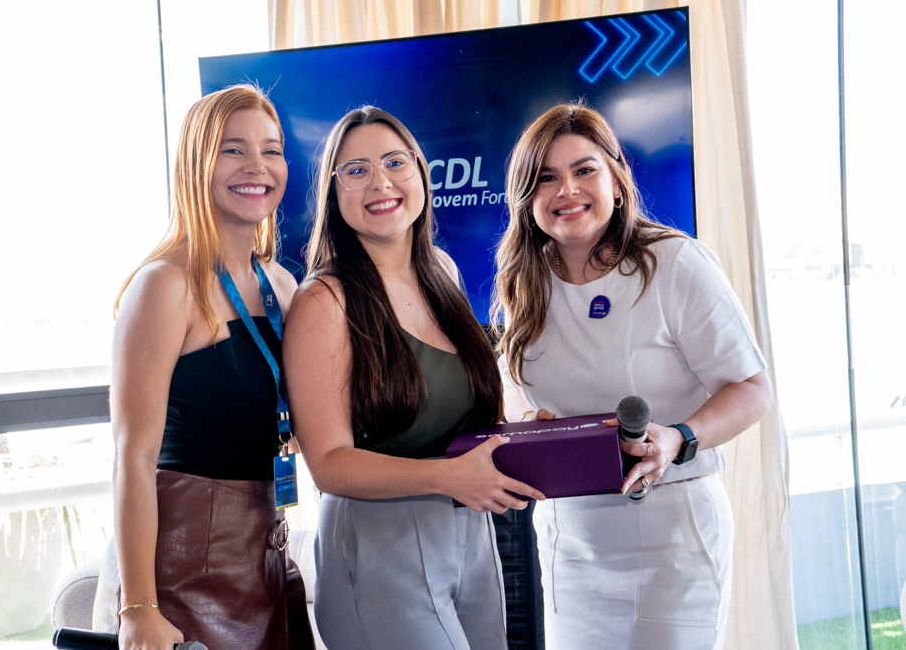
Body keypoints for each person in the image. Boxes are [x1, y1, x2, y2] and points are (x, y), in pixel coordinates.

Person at [493, 103, 772, 650]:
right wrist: (529, 423)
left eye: (584, 170)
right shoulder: (522, 282)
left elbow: (752, 389)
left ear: (617, 182)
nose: (566, 190)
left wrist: (679, 437)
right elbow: (513, 393)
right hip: (571, 546)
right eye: (545, 178)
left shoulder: (675, 263)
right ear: (527, 199)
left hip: (672, 539)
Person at [282, 106, 544, 650]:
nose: (380, 182)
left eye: (394, 162)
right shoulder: (324, 302)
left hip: (469, 535)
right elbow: (328, 464)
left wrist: (524, 432)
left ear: (422, 172)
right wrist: (447, 479)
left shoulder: (442, 271)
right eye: (355, 170)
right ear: (334, 194)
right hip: (377, 548)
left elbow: (461, 405)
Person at [99, 84, 313, 650]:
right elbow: (133, 457)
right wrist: (138, 608)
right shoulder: (165, 284)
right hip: (183, 566)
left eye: (271, 150)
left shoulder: (281, 284)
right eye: (233, 149)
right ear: (197, 163)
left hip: (263, 550)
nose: (257, 166)